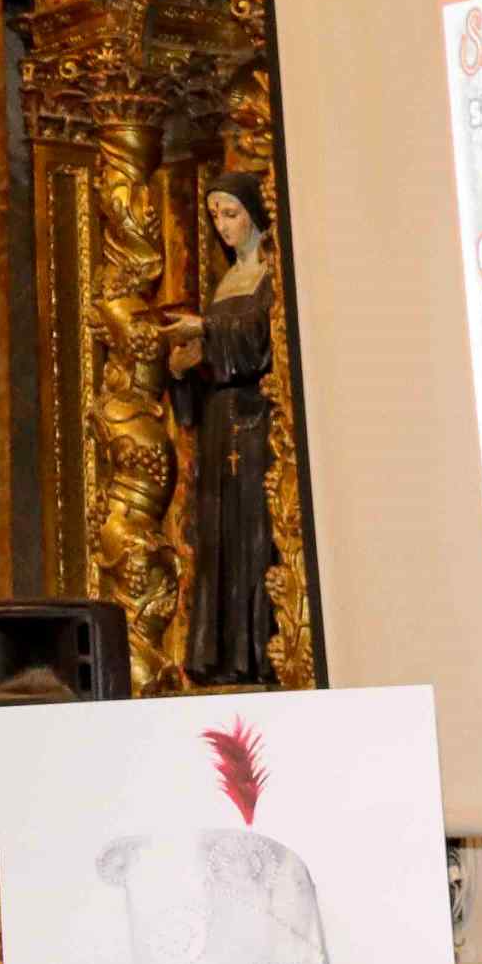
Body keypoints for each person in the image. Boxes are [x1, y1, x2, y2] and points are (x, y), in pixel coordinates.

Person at [163, 171, 281, 687]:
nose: (222, 225)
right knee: (217, 538)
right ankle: (220, 655)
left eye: (230, 214)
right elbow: (218, 353)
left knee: (250, 533)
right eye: (214, 216)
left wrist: (207, 331)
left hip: (252, 422)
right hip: (218, 423)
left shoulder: (269, 277)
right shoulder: (224, 282)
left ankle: (255, 653)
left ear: (254, 215)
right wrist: (184, 366)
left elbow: (257, 339)